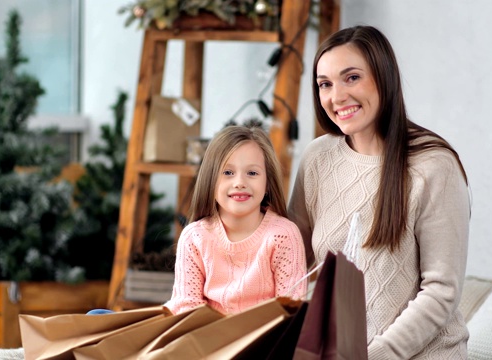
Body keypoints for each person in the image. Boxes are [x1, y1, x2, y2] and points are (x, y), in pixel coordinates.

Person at [288, 25, 471, 359]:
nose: (336, 96)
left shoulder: (433, 166)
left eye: (352, 78)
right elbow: (293, 265)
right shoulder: (317, 158)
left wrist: (376, 355)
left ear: (384, 78)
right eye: (325, 84)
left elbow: (442, 290)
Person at [164, 125, 308, 315]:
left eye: (252, 173)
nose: (240, 182)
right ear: (210, 181)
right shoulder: (194, 237)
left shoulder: (283, 235)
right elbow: (186, 309)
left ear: (267, 183)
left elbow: (291, 312)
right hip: (206, 341)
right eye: (228, 173)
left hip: (268, 342)